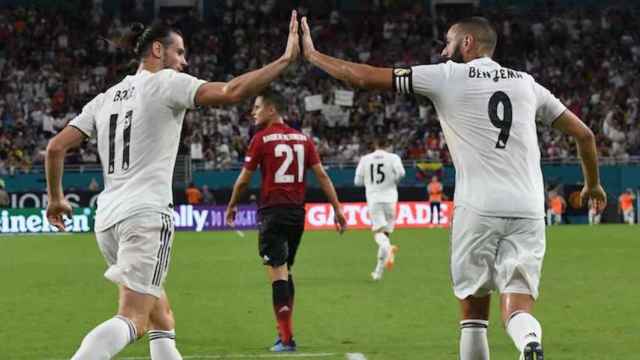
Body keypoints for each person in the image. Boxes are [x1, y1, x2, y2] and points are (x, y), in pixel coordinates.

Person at [300, 15, 606, 360]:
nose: (444, 51)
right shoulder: (527, 84)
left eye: (448, 42)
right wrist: (592, 185)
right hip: (529, 207)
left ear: (467, 43)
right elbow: (585, 135)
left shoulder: (446, 76)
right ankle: (529, 342)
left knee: (474, 317)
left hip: (478, 207)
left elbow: (364, 76)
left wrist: (313, 56)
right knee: (518, 306)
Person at [45, 11, 301, 360]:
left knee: (161, 317)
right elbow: (231, 91)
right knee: (133, 319)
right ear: (157, 50)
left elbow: (55, 147)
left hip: (107, 222)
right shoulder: (165, 83)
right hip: (146, 217)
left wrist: (56, 199)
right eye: (179, 52)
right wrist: (284, 59)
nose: (184, 61)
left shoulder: (105, 98)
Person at [225, 89, 347, 352]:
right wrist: (337, 209)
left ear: (271, 110)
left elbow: (245, 179)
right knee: (285, 271)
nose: (253, 112)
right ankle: (285, 334)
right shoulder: (304, 140)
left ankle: (287, 339)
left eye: (257, 107)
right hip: (296, 214)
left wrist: (233, 204)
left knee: (277, 273)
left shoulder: (261, 140)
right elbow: (323, 176)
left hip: (272, 212)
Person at [354, 138, 405, 280]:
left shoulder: (365, 159)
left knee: (378, 233)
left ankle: (390, 250)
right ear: (387, 145)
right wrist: (392, 181)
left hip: (374, 199)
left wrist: (370, 183)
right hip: (391, 198)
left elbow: (357, 182)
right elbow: (401, 173)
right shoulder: (393, 157)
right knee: (385, 235)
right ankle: (378, 272)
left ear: (375, 145)